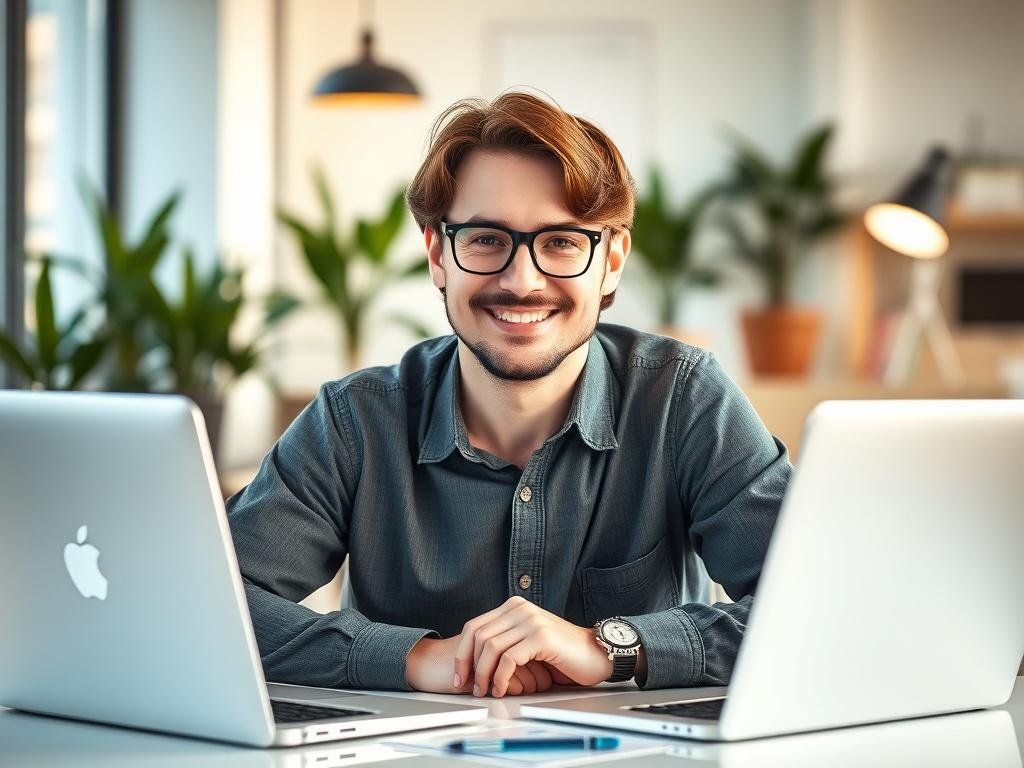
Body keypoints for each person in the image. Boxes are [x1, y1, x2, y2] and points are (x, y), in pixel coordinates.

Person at [226, 91, 791, 700]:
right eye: (487, 239)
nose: (522, 282)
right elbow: (212, 604)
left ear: (614, 261)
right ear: (438, 254)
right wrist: (419, 659)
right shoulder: (354, 421)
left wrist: (609, 647)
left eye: (562, 242)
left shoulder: (684, 400)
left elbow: (817, 603)